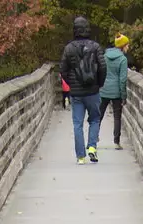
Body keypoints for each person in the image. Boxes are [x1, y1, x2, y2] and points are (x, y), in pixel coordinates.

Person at [60, 16, 106, 164]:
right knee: (95, 119)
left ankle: (80, 157)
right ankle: (92, 146)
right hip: (93, 91)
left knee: (77, 124)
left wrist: (71, 84)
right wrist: (99, 83)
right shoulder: (95, 46)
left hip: (77, 93)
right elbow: (102, 67)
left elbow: (63, 70)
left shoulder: (69, 48)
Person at [99, 35, 129, 149]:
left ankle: (93, 138)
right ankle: (116, 142)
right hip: (116, 92)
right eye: (127, 45)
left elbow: (100, 72)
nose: (128, 47)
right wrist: (124, 96)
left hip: (104, 90)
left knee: (99, 115)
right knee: (117, 117)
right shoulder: (123, 59)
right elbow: (122, 79)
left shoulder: (105, 56)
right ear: (123, 46)